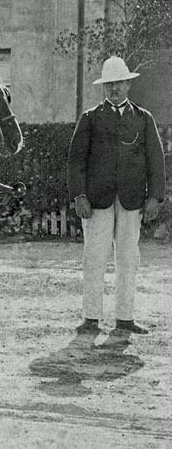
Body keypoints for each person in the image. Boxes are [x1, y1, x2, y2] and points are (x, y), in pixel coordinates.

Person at [67, 56, 165, 337]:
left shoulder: (143, 118)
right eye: (109, 83)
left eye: (120, 83)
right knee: (94, 257)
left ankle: (125, 318)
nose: (115, 88)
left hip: (132, 200)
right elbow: (76, 160)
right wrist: (79, 195)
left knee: (128, 258)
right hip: (97, 200)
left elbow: (155, 160)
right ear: (103, 86)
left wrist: (154, 197)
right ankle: (91, 318)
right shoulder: (90, 118)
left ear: (128, 85)